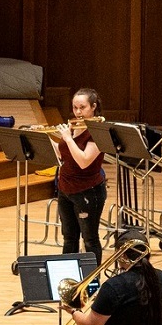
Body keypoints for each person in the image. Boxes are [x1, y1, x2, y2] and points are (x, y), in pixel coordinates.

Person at [51, 87, 106, 261]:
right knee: (69, 238)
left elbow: (84, 161)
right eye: (75, 107)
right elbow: (64, 155)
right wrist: (45, 141)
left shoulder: (98, 131)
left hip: (87, 191)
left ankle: (92, 282)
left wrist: (67, 138)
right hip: (65, 188)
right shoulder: (73, 127)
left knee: (89, 240)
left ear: (93, 107)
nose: (78, 112)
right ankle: (70, 281)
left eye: (82, 107)